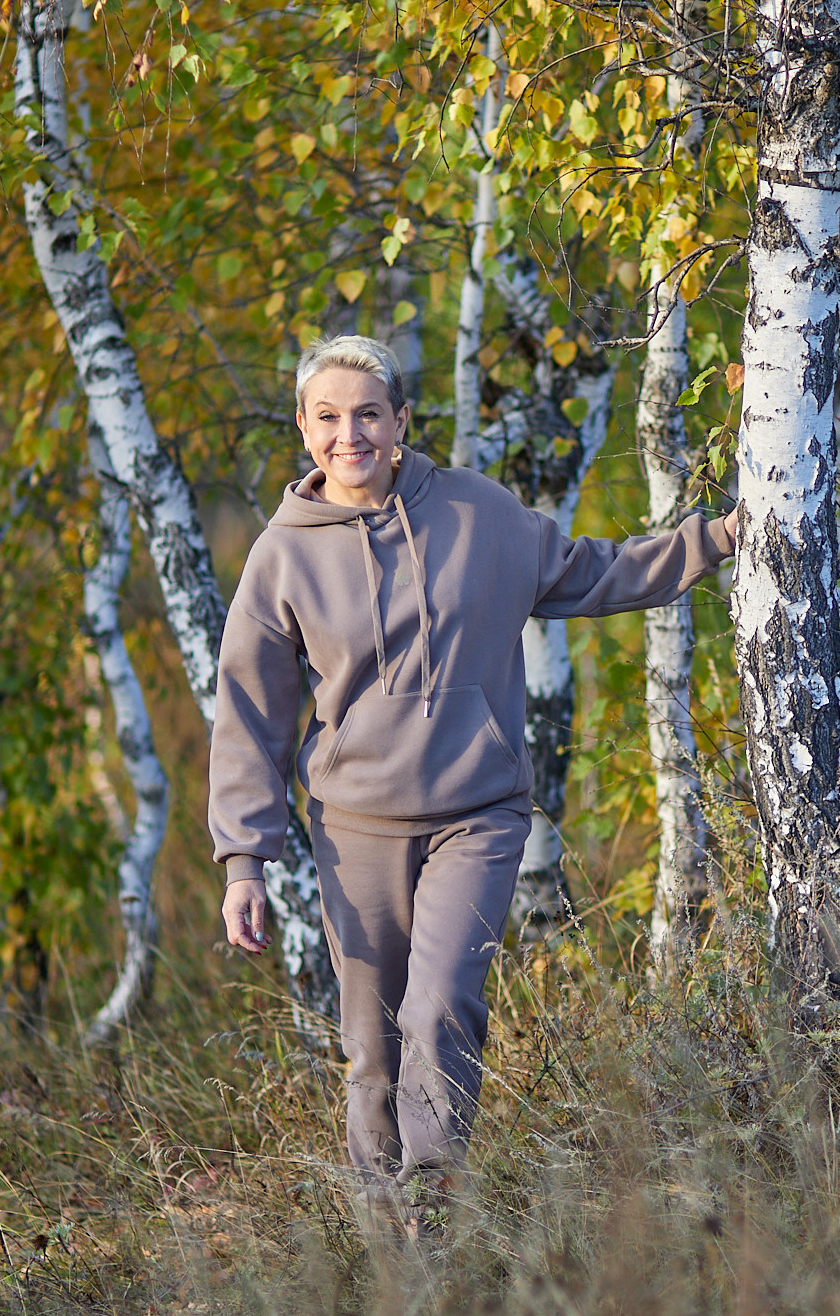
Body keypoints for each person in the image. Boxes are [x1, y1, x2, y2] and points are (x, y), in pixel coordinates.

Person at [208, 333, 740, 1196]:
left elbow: (590, 572)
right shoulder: (283, 555)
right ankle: (389, 1239)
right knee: (373, 1042)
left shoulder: (477, 513)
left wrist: (715, 538)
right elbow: (250, 714)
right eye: (330, 418)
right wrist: (245, 861)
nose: (352, 436)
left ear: (401, 421)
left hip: (478, 811)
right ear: (304, 429)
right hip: (354, 829)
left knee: (441, 1008)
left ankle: (434, 1206)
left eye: (369, 415)